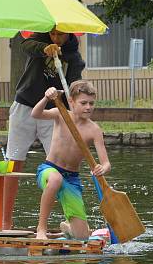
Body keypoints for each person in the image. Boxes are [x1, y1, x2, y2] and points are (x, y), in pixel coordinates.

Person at [3, 30, 85, 228]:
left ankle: (70, 221)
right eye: (53, 34)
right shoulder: (39, 38)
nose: (56, 38)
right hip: (25, 105)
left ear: (70, 34)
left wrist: (73, 102)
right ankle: (5, 220)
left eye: (61, 35)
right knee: (14, 162)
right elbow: (26, 45)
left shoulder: (74, 57)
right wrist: (44, 48)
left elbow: (73, 86)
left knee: (61, 166)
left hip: (55, 114)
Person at [30, 80, 111, 240]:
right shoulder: (61, 114)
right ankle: (41, 229)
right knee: (55, 179)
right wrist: (47, 97)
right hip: (49, 170)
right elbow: (36, 114)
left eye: (91, 103)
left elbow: (106, 163)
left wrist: (103, 168)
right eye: (83, 103)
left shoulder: (94, 130)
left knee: (82, 238)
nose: (88, 107)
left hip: (72, 178)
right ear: (71, 102)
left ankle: (68, 227)